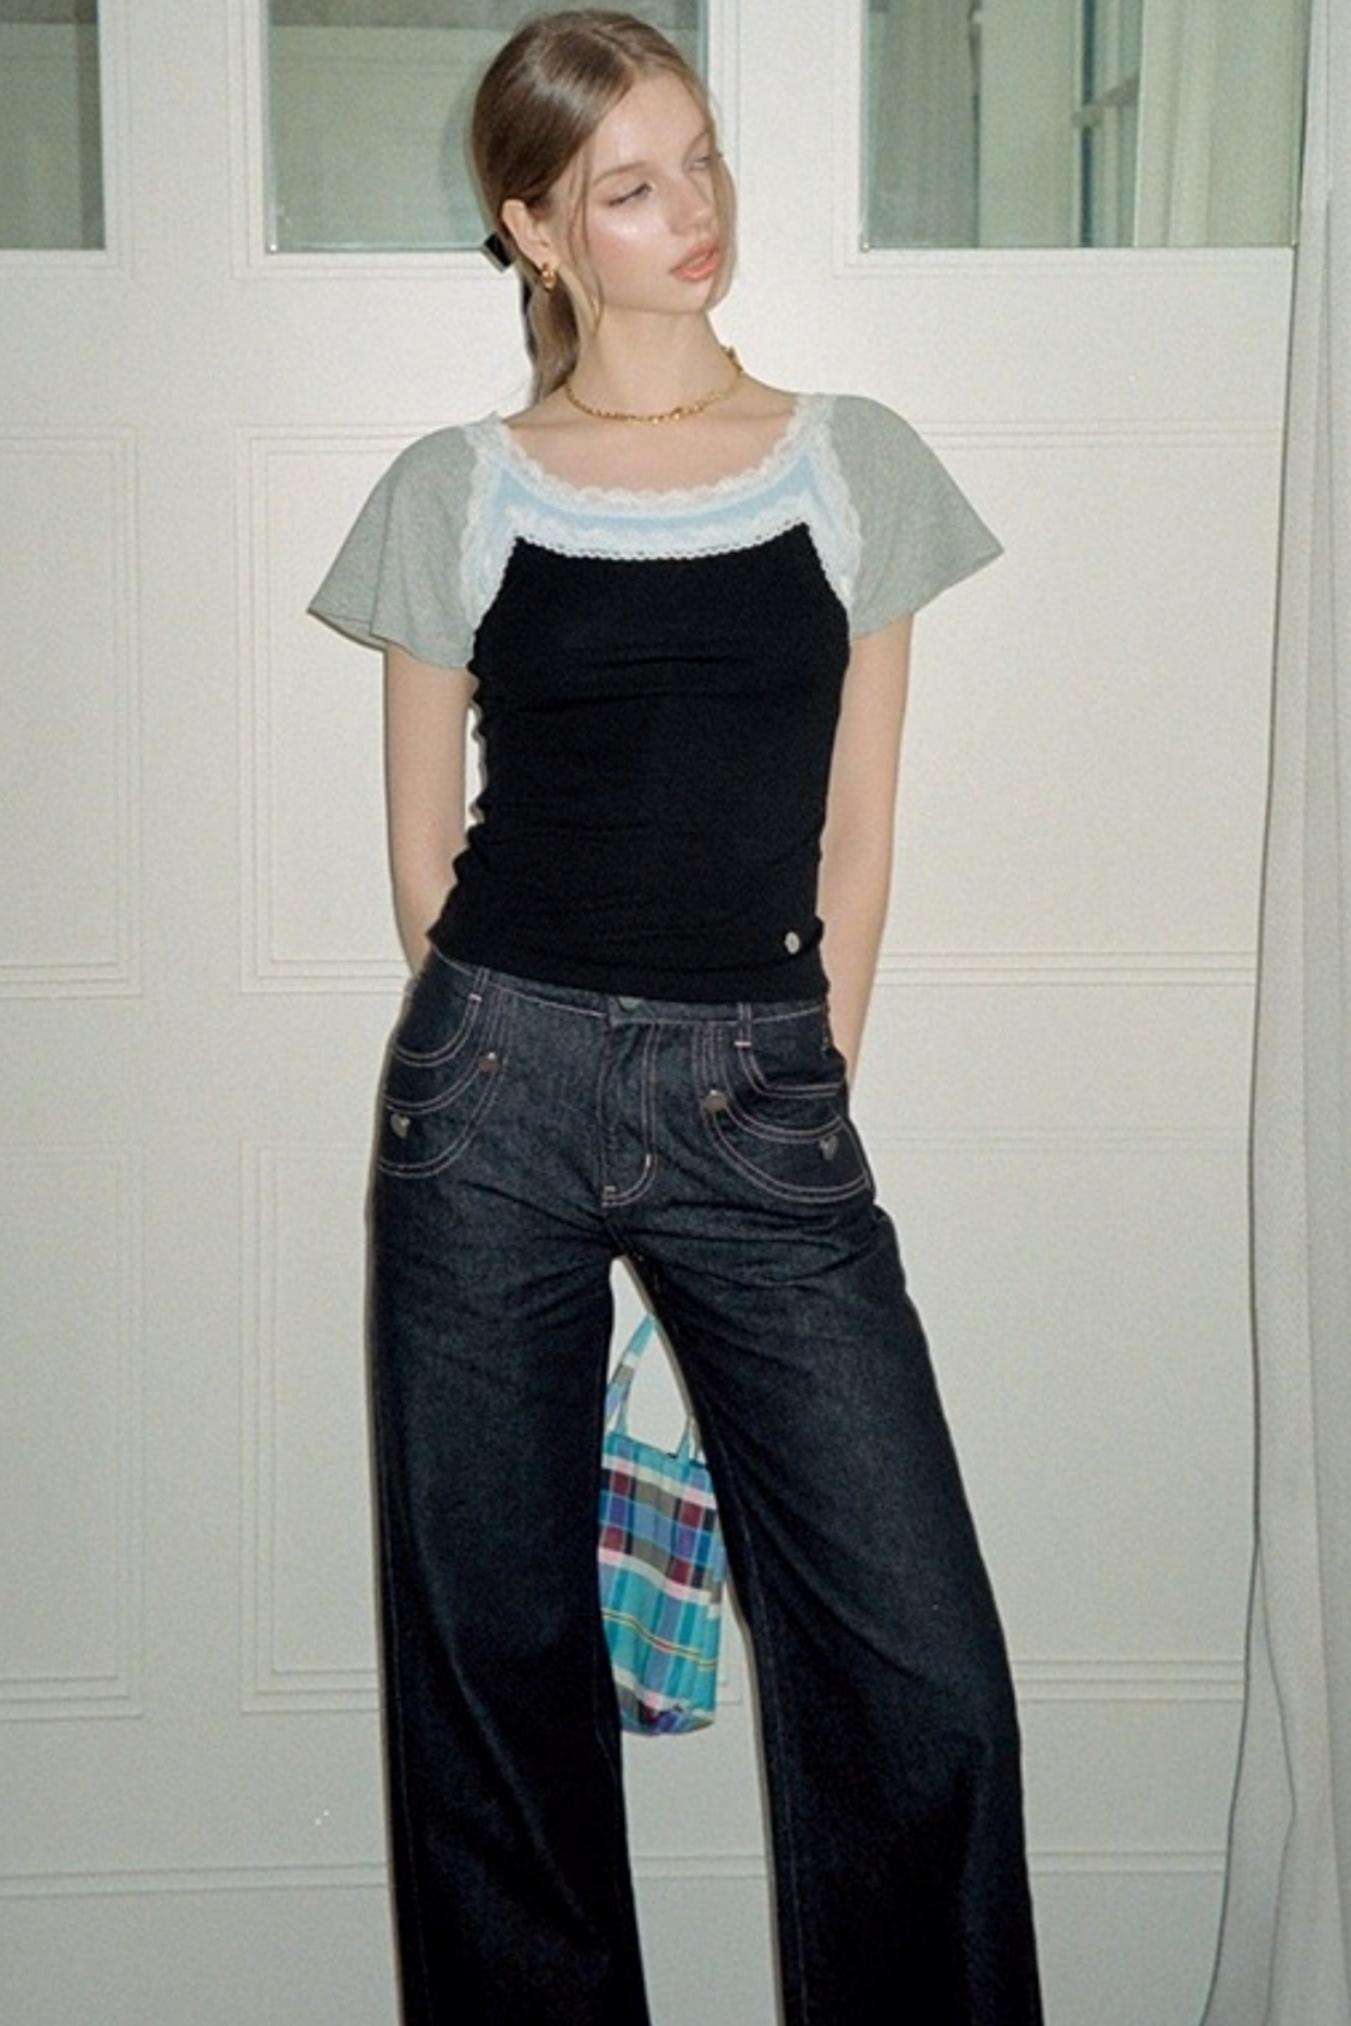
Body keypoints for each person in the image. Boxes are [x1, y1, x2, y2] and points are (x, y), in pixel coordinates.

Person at [307, 10, 1044, 2023]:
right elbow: (421, 860)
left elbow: (861, 835)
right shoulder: (457, 486)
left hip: (761, 1094)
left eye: (700, 159)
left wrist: (799, 1086)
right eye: (631, 187)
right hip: (493, 1093)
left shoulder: (850, 460)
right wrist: (522, 1061)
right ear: (538, 230)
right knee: (497, 1678)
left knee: (925, 1682)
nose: (695, 210)